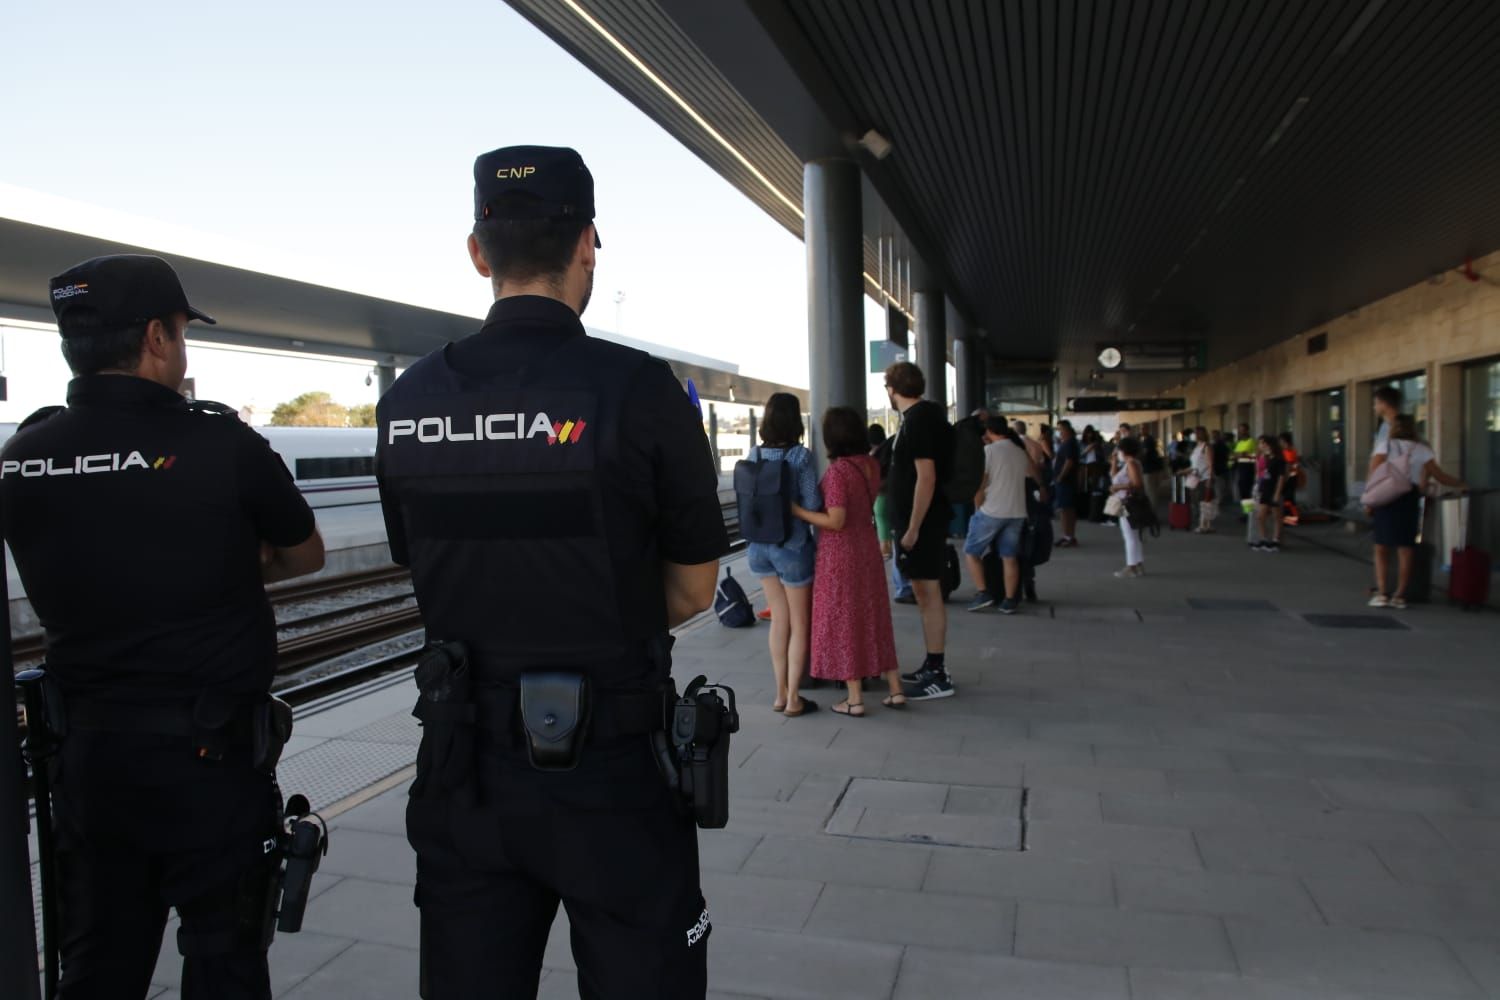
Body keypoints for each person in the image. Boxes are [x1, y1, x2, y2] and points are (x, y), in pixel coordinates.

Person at [375, 146, 728, 998]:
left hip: (463, 766)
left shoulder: (410, 400)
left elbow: (418, 562)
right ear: (589, 246)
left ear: (476, 252)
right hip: (612, 766)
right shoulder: (642, 390)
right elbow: (691, 591)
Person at [0, 254, 326, 999]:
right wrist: (225, 561)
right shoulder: (222, 446)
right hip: (208, 764)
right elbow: (304, 553)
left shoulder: (22, 457)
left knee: (100, 965)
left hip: (88, 764)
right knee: (225, 961)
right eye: (181, 333)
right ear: (156, 337)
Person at [792, 407, 906, 714]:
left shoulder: (840, 470)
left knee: (844, 619)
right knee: (874, 616)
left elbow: (837, 520)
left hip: (840, 554)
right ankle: (895, 689)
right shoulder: (869, 463)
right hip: (867, 547)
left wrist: (799, 512)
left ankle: (854, 698)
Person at [744, 392, 822, 716]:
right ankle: (794, 699)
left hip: (759, 547)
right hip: (791, 546)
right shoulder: (800, 456)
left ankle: (779, 694)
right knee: (799, 624)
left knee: (779, 620)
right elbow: (813, 504)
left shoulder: (755, 452)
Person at [884, 361, 957, 701]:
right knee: (925, 593)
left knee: (928, 594)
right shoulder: (921, 419)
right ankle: (932, 664)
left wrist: (913, 528)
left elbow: (925, 477)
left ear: (892, 390)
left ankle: (938, 674)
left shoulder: (920, 422)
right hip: (923, 523)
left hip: (923, 525)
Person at [1368, 414, 1465, 608]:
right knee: (1405, 548)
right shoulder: (1422, 449)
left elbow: (1374, 474)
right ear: (1414, 429)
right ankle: (1400, 595)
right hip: (1409, 499)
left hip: (1386, 496)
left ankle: (1382, 592)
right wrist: (1461, 484)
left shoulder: (1384, 446)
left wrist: (1369, 501)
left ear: (1394, 428)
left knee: (1381, 547)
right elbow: (1440, 475)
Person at [963, 415, 1040, 614]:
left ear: (989, 431)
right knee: (1009, 557)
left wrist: (976, 508)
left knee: (971, 553)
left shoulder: (989, 451)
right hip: (1016, 511)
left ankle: (983, 593)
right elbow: (1032, 474)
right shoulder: (1019, 451)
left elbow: (981, 484)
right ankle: (1009, 600)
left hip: (991, 510)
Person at [1110, 435, 1147, 578]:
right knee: (1134, 535)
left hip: (1128, 502)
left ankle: (1131, 566)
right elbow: (1114, 477)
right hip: (1125, 502)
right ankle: (1137, 564)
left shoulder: (1131, 463)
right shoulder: (1129, 463)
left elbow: (1137, 484)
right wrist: (1113, 462)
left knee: (1130, 536)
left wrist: (1118, 487)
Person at [946, 407, 987, 538]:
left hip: (960, 480)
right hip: (965, 481)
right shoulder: (971, 435)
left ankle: (960, 529)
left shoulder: (961, 430)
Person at [1252, 434, 1287, 552]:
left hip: (1273, 489)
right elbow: (1260, 472)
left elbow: (1281, 477)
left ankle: (1276, 540)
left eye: (1264, 443)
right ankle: (1263, 538)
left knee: (1276, 516)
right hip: (1264, 488)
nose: (1261, 446)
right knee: (1260, 516)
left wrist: (1277, 493)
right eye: (1261, 444)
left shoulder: (1279, 459)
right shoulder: (1266, 458)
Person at [1052, 420, 1080, 546]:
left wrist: (1061, 476)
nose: (1059, 433)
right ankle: (1068, 535)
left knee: (1065, 509)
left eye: (1060, 430)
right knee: (1067, 508)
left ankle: (1068, 535)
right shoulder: (1067, 443)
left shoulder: (1069, 444)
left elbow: (1069, 462)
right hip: (1066, 480)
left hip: (1066, 481)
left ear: (1066, 430)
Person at [1190, 426, 1216, 532]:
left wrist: (1209, 478)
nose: (1194, 436)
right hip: (1196, 477)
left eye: (1196, 433)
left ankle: (1202, 525)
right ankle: (1207, 525)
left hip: (1205, 478)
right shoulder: (1197, 447)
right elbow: (1195, 464)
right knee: (1204, 501)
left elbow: (1210, 464)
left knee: (1204, 501)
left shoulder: (1206, 447)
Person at [1232, 422, 1257, 512]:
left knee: (1247, 491)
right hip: (1240, 468)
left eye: (1243, 430)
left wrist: (1241, 454)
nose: (1241, 432)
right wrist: (1240, 454)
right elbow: (1235, 454)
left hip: (1248, 468)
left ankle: (1250, 512)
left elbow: (1250, 454)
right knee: (1242, 490)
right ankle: (1246, 511)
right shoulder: (1240, 442)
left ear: (1247, 430)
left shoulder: (1251, 441)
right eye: (1240, 430)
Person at [1279, 431, 1302, 524]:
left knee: (1288, 499)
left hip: (1290, 478)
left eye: (1280, 441)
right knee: (1288, 499)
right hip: (1291, 477)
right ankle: (1290, 519)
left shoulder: (1288, 451)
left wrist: (1284, 478)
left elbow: (1288, 466)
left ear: (1284, 441)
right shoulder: (1290, 450)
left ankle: (1292, 519)